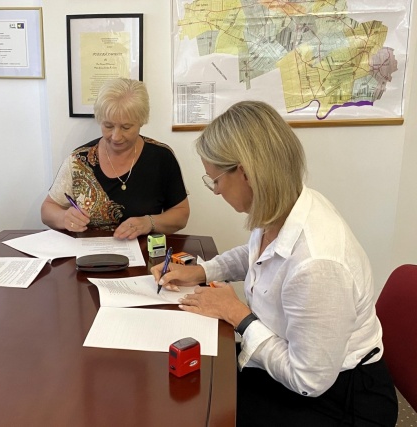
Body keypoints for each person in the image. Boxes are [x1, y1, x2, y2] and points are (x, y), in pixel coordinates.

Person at [152, 101, 397, 426]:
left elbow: (308, 380)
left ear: (246, 173)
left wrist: (237, 314)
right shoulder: (287, 205)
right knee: (195, 384)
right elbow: (256, 254)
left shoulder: (317, 263)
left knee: (202, 411)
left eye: (216, 180)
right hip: (289, 360)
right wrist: (200, 271)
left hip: (339, 398)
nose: (216, 191)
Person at [41, 78, 189, 240]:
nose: (116, 136)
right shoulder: (79, 160)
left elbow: (181, 214)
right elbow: (47, 209)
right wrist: (63, 217)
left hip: (144, 251)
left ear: (141, 122)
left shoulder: (161, 157)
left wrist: (149, 223)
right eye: (108, 126)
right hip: (88, 252)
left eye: (126, 127)